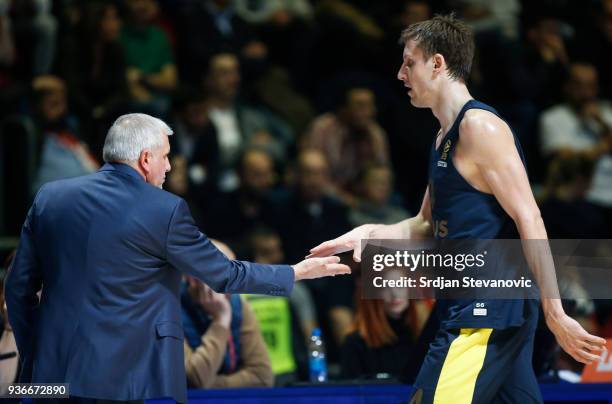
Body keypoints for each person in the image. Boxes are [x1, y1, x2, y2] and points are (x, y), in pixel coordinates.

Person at [308, 14, 606, 403]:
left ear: (437, 63)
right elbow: (424, 226)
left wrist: (555, 312)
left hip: (486, 310)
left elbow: (530, 216)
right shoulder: (441, 139)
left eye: (408, 62)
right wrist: (368, 233)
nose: (400, 74)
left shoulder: (480, 128)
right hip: (475, 306)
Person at [5, 113, 350, 403]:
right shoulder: (163, 210)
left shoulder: (50, 198)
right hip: (125, 380)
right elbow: (224, 275)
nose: (169, 167)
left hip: (50, 379)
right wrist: (295, 272)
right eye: (165, 156)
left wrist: (37, 353)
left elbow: (17, 287)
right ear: (145, 159)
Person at [182, 240, 273, 388]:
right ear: (192, 278)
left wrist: (212, 384)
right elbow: (195, 379)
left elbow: (262, 377)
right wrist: (221, 321)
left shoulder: (238, 305)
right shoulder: (166, 311)